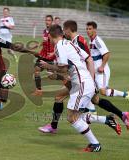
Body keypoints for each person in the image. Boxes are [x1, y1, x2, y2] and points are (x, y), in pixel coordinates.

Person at [39, 20, 129, 132]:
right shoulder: (72, 41)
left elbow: (87, 59)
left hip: (85, 78)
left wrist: (90, 79)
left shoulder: (79, 40)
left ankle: (109, 120)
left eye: (64, 29)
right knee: (65, 98)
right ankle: (120, 115)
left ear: (67, 30)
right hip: (81, 77)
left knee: (81, 111)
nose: (63, 32)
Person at [40, 24, 102, 152]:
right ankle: (103, 126)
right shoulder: (70, 43)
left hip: (81, 85)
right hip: (85, 83)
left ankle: (95, 144)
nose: (49, 40)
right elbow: (89, 60)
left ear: (51, 36)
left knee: (72, 118)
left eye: (49, 38)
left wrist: (48, 66)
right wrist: (91, 80)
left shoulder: (59, 46)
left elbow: (63, 68)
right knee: (77, 116)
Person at [86, 21, 129, 129]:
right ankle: (121, 115)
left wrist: (102, 66)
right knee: (94, 98)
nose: (88, 31)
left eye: (90, 29)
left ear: (95, 30)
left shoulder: (97, 40)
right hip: (96, 72)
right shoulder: (91, 40)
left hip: (102, 71)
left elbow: (107, 54)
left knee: (103, 92)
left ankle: (125, 94)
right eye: (87, 29)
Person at [32, 15, 56, 96]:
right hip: (43, 55)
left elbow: (59, 43)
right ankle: (39, 90)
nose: (47, 22)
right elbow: (45, 41)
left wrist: (54, 53)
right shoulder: (44, 31)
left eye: (49, 20)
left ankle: (66, 79)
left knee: (51, 76)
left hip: (51, 56)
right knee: (36, 69)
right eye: (46, 20)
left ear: (52, 22)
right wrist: (38, 45)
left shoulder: (54, 32)